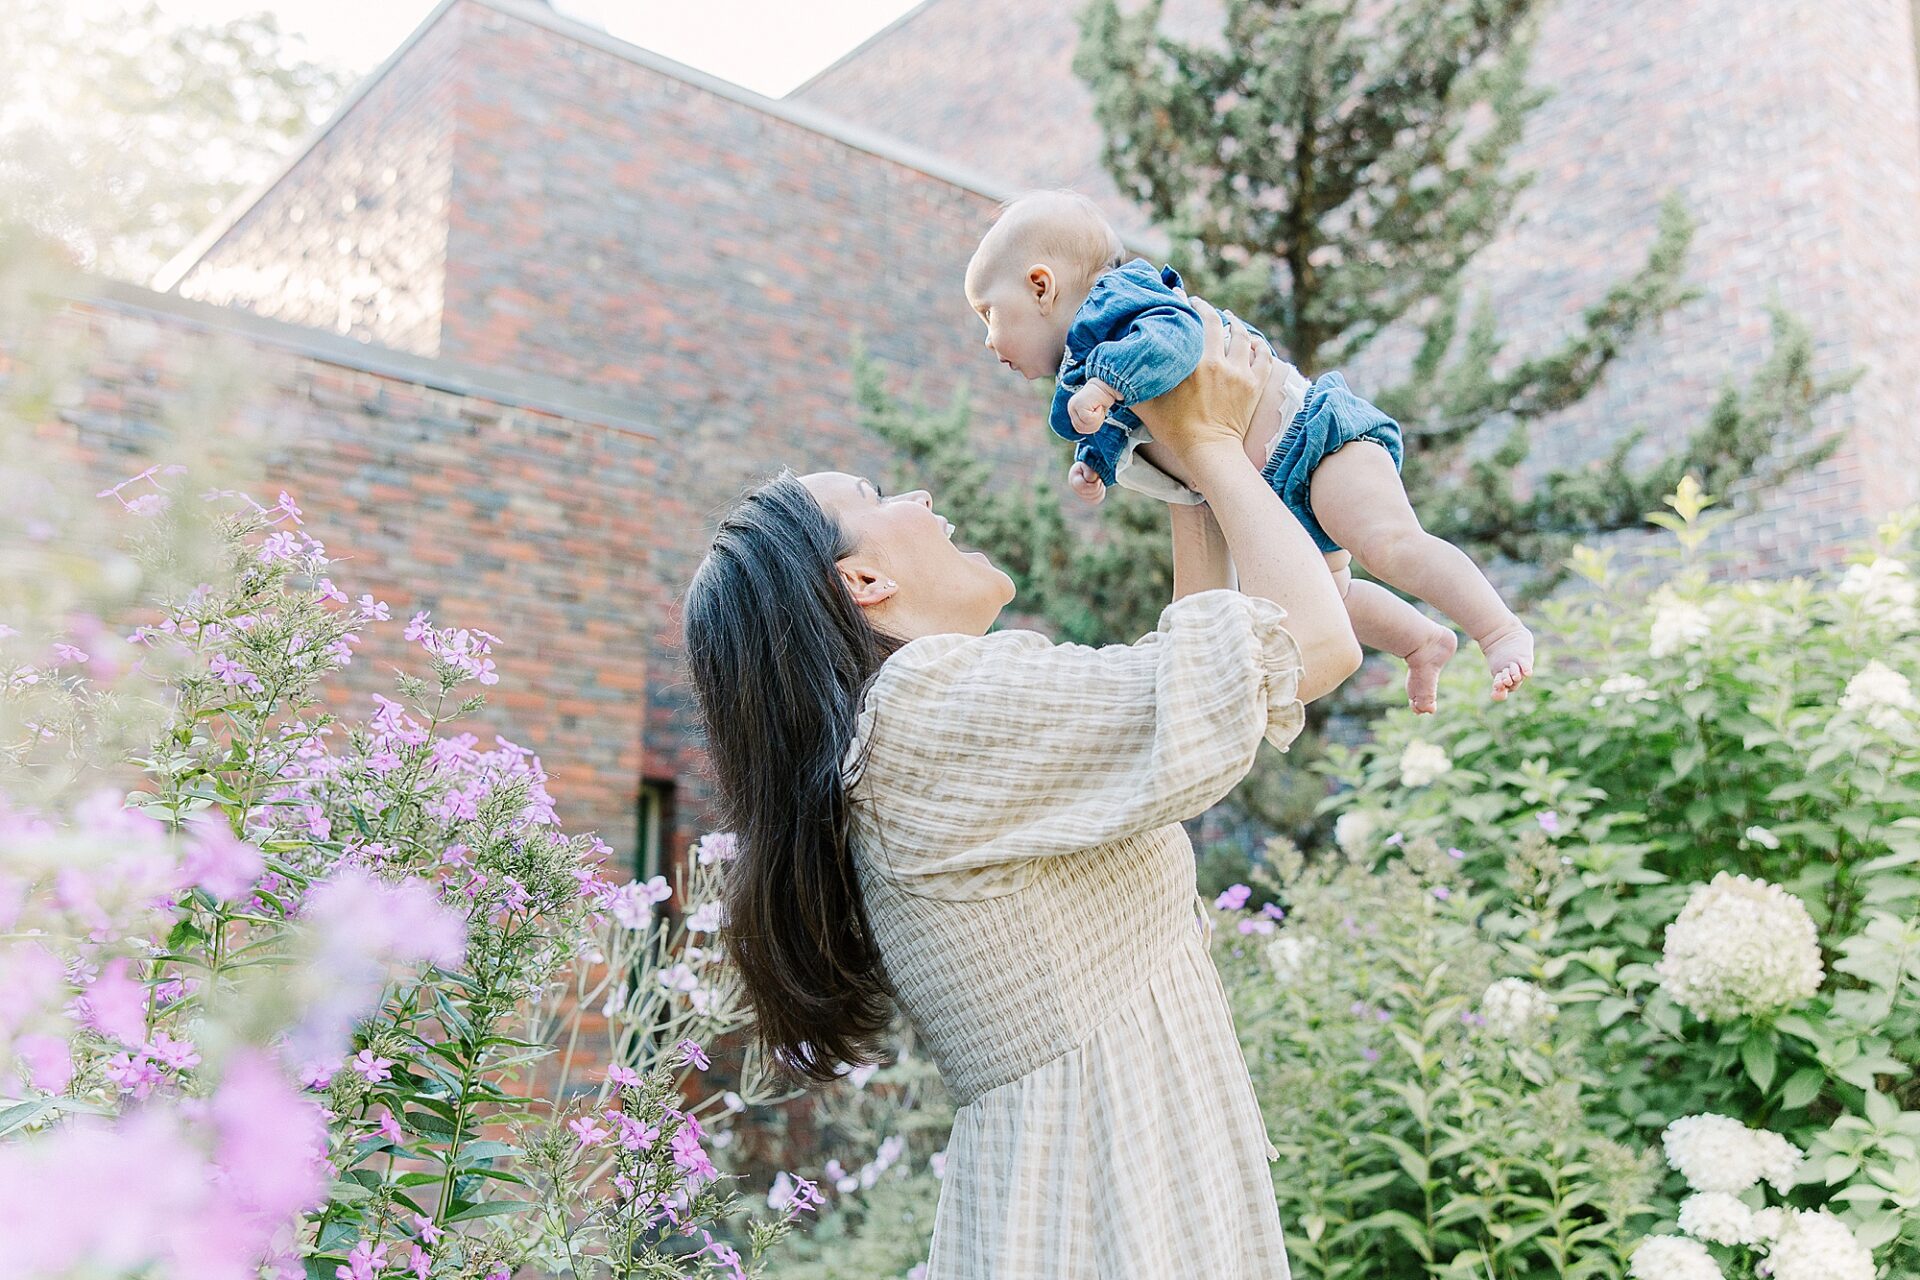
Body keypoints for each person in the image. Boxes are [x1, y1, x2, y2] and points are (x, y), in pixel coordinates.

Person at [684, 303, 1358, 1278]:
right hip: (1111, 1196)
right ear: (864, 577)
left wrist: (1179, 476)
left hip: (1091, 1180)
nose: (917, 492)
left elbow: (1186, 685)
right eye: (879, 493)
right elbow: (1315, 642)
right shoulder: (928, 707)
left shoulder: (913, 736)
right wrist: (1212, 445)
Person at [964, 189, 1535, 710]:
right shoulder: (1092, 360)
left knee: (1389, 544)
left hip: (1315, 438)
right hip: (1280, 492)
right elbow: (1134, 420)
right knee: (1328, 600)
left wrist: (1104, 386)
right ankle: (1420, 641)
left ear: (1042, 286)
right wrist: (1096, 459)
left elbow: (1176, 341)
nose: (990, 341)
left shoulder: (1121, 302)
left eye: (990, 314)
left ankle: (1498, 629)